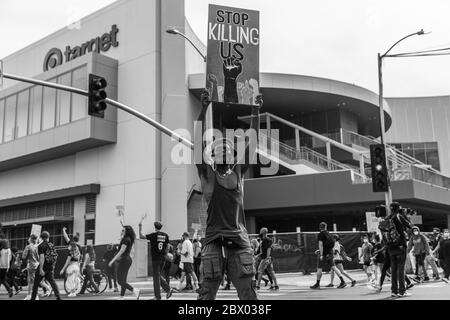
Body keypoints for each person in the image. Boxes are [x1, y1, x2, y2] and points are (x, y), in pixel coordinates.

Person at [196, 90, 262, 301]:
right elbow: (198, 143)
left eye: (227, 149)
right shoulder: (207, 175)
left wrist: (255, 111)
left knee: (248, 294)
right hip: (214, 240)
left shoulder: (238, 173)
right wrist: (203, 108)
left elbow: (252, 142)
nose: (223, 151)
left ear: (233, 156)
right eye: (218, 149)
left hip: (239, 240)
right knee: (206, 295)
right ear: (213, 156)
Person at [380, 202, 413, 298]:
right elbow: (410, 226)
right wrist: (405, 216)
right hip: (400, 246)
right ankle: (402, 291)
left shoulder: (387, 218)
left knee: (393, 270)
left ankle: (394, 291)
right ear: (398, 208)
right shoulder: (399, 216)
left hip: (391, 248)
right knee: (401, 269)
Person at [139, 221, 174, 300]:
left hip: (155, 259)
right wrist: (165, 254)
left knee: (156, 278)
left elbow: (141, 236)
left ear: (155, 227)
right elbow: (168, 246)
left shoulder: (153, 235)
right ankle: (168, 289)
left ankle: (158, 296)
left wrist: (140, 226)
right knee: (157, 276)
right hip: (163, 258)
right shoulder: (166, 235)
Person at [310, 222, 347, 289]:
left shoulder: (321, 234)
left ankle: (317, 284)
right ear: (326, 227)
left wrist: (321, 254)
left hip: (324, 254)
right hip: (330, 254)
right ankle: (343, 281)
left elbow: (320, 245)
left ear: (320, 227)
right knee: (334, 267)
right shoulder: (329, 234)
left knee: (319, 268)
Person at [108, 226, 140, 300]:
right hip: (127, 259)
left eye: (123, 230)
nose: (121, 231)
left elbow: (121, 251)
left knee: (120, 281)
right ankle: (122, 296)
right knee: (123, 280)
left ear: (126, 232)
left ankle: (134, 290)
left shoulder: (125, 239)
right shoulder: (128, 239)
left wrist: (112, 260)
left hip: (124, 260)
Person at [30, 231, 61, 300]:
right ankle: (58, 297)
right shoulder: (51, 245)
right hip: (50, 266)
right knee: (52, 282)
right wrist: (53, 266)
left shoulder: (41, 246)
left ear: (41, 238)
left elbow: (42, 257)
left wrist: (41, 269)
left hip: (44, 266)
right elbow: (55, 256)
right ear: (48, 237)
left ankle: (33, 298)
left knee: (36, 283)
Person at [22, 235, 40, 300]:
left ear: (31, 239)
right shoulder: (38, 246)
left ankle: (32, 295)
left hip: (31, 265)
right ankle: (32, 295)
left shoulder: (28, 246)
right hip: (38, 265)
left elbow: (23, 256)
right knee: (34, 281)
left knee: (30, 281)